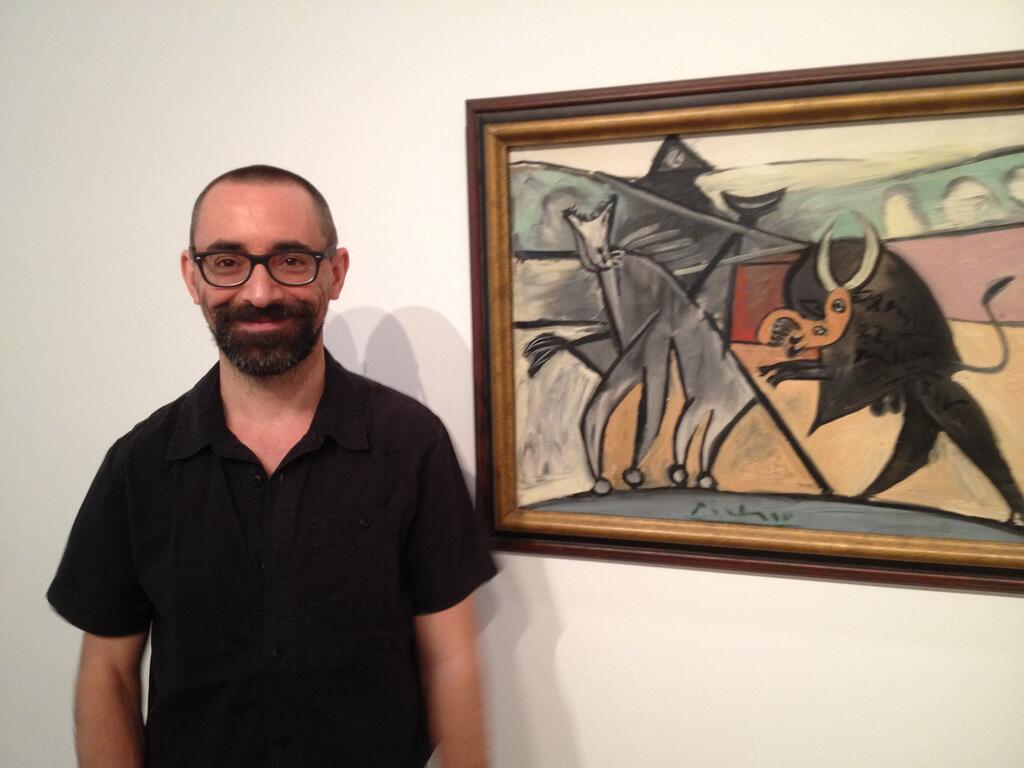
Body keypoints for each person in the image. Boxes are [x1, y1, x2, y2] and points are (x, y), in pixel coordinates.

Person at [47, 165, 497, 767]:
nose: (259, 293)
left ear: (335, 272)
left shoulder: (412, 445)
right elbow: (107, 674)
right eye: (227, 262)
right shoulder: (139, 465)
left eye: (290, 260)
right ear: (192, 277)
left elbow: (452, 658)